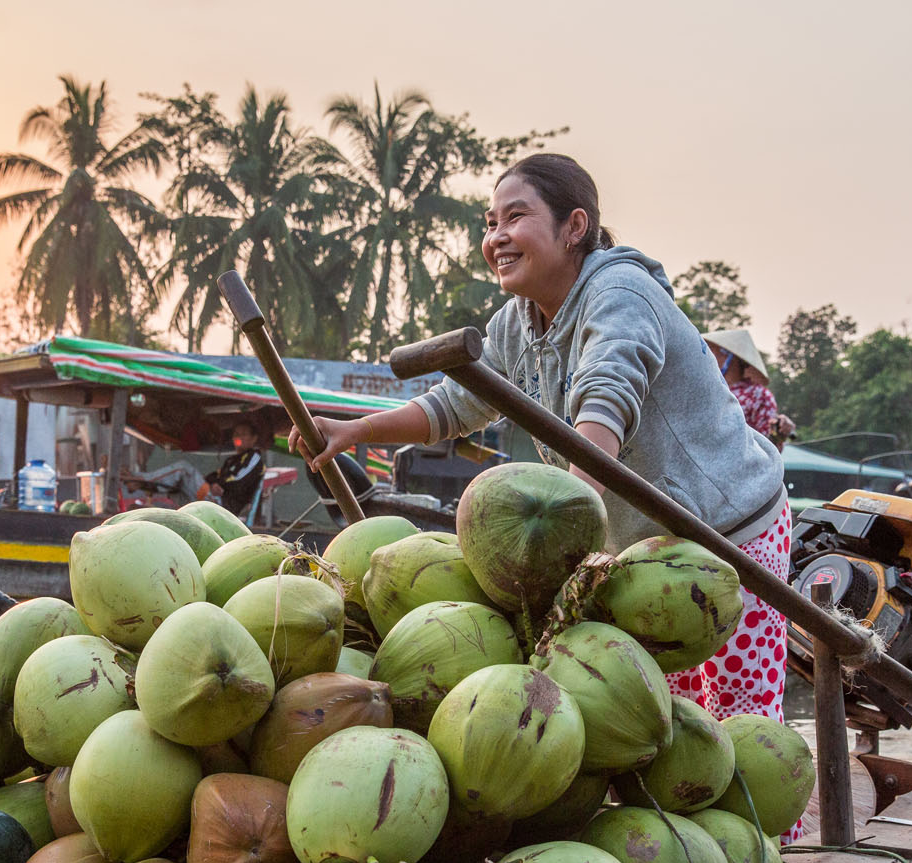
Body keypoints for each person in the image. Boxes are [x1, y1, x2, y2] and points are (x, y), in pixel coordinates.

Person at [290, 153, 794, 730]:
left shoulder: (620, 291)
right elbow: (458, 403)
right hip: (642, 553)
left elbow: (609, 392)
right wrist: (357, 431)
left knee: (740, 723)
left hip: (729, 533)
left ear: (574, 227)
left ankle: (774, 826)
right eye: (489, 223)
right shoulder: (518, 322)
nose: (497, 237)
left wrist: (567, 530)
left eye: (515, 217)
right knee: (658, 719)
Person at [704, 328, 796, 450]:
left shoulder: (759, 395)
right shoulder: (710, 390)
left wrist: (778, 436)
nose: (709, 356)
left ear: (729, 357)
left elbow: (768, 449)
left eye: (713, 352)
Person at [200, 422, 265, 517]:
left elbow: (237, 479)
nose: (239, 438)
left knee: (183, 469)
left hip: (228, 507)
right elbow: (213, 476)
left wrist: (219, 485)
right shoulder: (230, 461)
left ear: (254, 438)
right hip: (216, 500)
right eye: (236, 434)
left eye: (243, 434)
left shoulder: (254, 456)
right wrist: (214, 483)